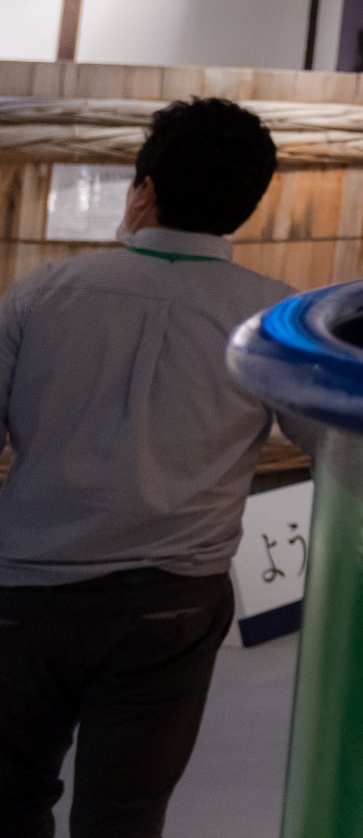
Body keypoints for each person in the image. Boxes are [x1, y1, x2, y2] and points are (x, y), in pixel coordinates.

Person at [0, 98, 313, 838]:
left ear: (143, 189)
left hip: (22, 595)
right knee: (125, 818)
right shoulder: (271, 320)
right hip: (171, 605)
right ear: (248, 204)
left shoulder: (41, 294)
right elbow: (335, 444)